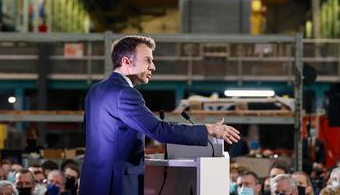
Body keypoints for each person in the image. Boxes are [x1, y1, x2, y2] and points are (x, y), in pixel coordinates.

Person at [80, 35, 240, 195]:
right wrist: (208, 129)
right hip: (117, 184)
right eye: (147, 60)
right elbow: (158, 130)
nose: (153, 67)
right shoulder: (125, 94)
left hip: (92, 180)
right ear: (127, 62)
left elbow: (93, 133)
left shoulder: (96, 90)